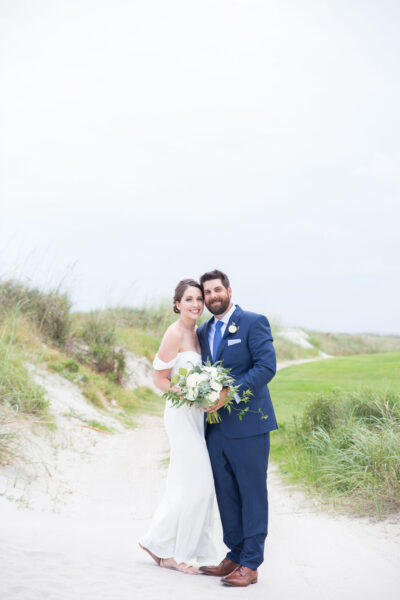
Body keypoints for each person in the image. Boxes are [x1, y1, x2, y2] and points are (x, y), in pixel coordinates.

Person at [196, 269, 277, 587]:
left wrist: (230, 393)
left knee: (252, 492)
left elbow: (266, 367)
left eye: (217, 290)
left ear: (229, 290)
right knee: (226, 493)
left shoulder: (254, 322)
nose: (213, 297)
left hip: (249, 425)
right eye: (207, 294)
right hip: (215, 428)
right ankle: (234, 553)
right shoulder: (203, 331)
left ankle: (251, 563)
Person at [139, 279, 216, 574]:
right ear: (177, 304)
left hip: (196, 417)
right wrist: (187, 394)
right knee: (200, 485)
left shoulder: (198, 333)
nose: (196, 304)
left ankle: (158, 544)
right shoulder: (174, 333)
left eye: (199, 298)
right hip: (180, 414)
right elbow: (159, 378)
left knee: (185, 483)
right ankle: (180, 554)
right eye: (189, 299)